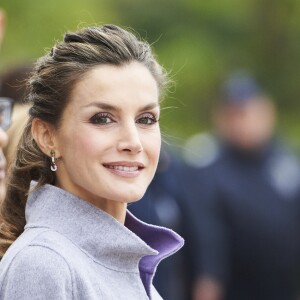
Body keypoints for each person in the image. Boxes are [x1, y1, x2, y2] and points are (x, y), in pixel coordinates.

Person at [0, 25, 184, 299]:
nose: (133, 142)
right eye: (103, 118)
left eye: (146, 119)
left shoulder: (115, 259)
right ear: (47, 136)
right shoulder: (44, 263)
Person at [186, 71, 300, 300]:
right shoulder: (207, 164)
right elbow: (207, 232)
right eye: (234, 114)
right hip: (231, 287)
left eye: (248, 112)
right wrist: (208, 279)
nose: (242, 122)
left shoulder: (287, 162)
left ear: (267, 111)